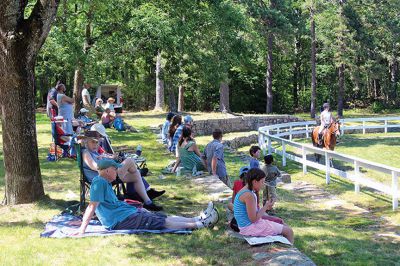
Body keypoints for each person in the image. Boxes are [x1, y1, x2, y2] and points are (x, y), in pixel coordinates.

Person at [73, 159, 219, 235]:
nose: (117, 172)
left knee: (160, 217)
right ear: (105, 171)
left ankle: (197, 219)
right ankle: (200, 225)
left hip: (126, 214)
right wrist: (82, 229)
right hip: (121, 220)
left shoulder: (103, 181)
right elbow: (92, 207)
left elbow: (103, 207)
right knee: (158, 222)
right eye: (114, 169)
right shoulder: (98, 183)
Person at [82, 137, 163, 211]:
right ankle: (137, 172)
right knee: (129, 160)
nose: (95, 145)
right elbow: (94, 166)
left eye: (97, 142)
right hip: (103, 177)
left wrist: (107, 158)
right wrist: (106, 161)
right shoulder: (86, 153)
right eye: (93, 142)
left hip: (109, 174)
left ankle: (148, 202)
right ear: (86, 142)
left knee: (136, 175)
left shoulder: (95, 153)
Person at [233, 168, 294, 244]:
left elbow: (253, 215)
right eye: (262, 182)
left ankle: (286, 247)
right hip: (250, 228)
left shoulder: (246, 191)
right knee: (289, 231)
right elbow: (253, 219)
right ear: (255, 181)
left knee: (283, 225)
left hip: (248, 226)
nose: (263, 184)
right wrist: (265, 207)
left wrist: (266, 206)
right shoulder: (249, 195)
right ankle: (290, 253)